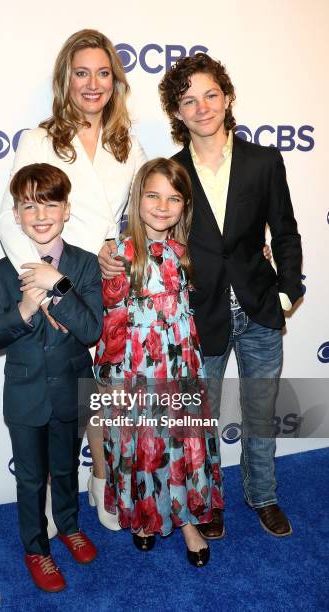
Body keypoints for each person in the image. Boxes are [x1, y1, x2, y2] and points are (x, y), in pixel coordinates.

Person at [100, 53, 303, 539]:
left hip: (258, 309)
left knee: (259, 408)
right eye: (189, 101)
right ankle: (203, 502)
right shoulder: (172, 171)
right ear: (178, 112)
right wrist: (110, 255)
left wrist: (286, 294)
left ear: (227, 97)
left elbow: (287, 233)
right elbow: (145, 230)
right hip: (195, 319)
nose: (202, 107)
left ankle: (264, 495)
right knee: (197, 418)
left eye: (210, 95)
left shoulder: (263, 160)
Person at [0, 29, 146, 533]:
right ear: (65, 79)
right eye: (81, 72)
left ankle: (100, 483)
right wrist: (39, 293)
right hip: (53, 281)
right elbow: (8, 219)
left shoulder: (128, 141)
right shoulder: (41, 138)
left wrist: (120, 248)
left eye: (103, 72)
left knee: (98, 394)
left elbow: (148, 211)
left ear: (115, 80)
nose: (93, 83)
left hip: (105, 281)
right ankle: (42, 502)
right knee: (54, 398)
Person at [94, 158, 224, 567]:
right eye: (153, 195)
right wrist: (111, 377)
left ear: (184, 206)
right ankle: (145, 517)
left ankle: (186, 521)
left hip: (182, 367)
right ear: (138, 198)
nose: (162, 206)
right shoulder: (117, 254)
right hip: (137, 371)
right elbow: (111, 320)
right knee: (142, 445)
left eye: (173, 198)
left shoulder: (184, 251)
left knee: (181, 445)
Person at [0, 163, 102, 592]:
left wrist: (59, 285)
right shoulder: (2, 272)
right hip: (26, 395)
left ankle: (68, 525)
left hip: (71, 389)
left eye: (50, 203)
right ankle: (36, 548)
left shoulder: (85, 266)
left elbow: (92, 330)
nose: (41, 214)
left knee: (66, 468)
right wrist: (24, 311)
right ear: (16, 215)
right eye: (29, 205)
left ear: (67, 209)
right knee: (32, 478)